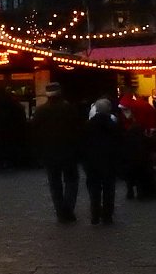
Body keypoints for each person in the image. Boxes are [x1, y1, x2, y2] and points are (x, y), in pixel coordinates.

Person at [31, 82, 83, 222]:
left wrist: (38, 151)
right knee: (71, 181)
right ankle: (68, 208)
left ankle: (60, 211)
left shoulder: (41, 111)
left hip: (49, 153)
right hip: (69, 152)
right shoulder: (69, 109)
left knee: (54, 183)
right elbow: (78, 130)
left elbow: (34, 133)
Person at [82, 98, 123, 225]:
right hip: (109, 161)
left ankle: (95, 214)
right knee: (109, 189)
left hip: (92, 162)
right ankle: (107, 215)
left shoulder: (88, 125)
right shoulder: (113, 126)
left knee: (94, 189)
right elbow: (119, 144)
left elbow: (82, 145)